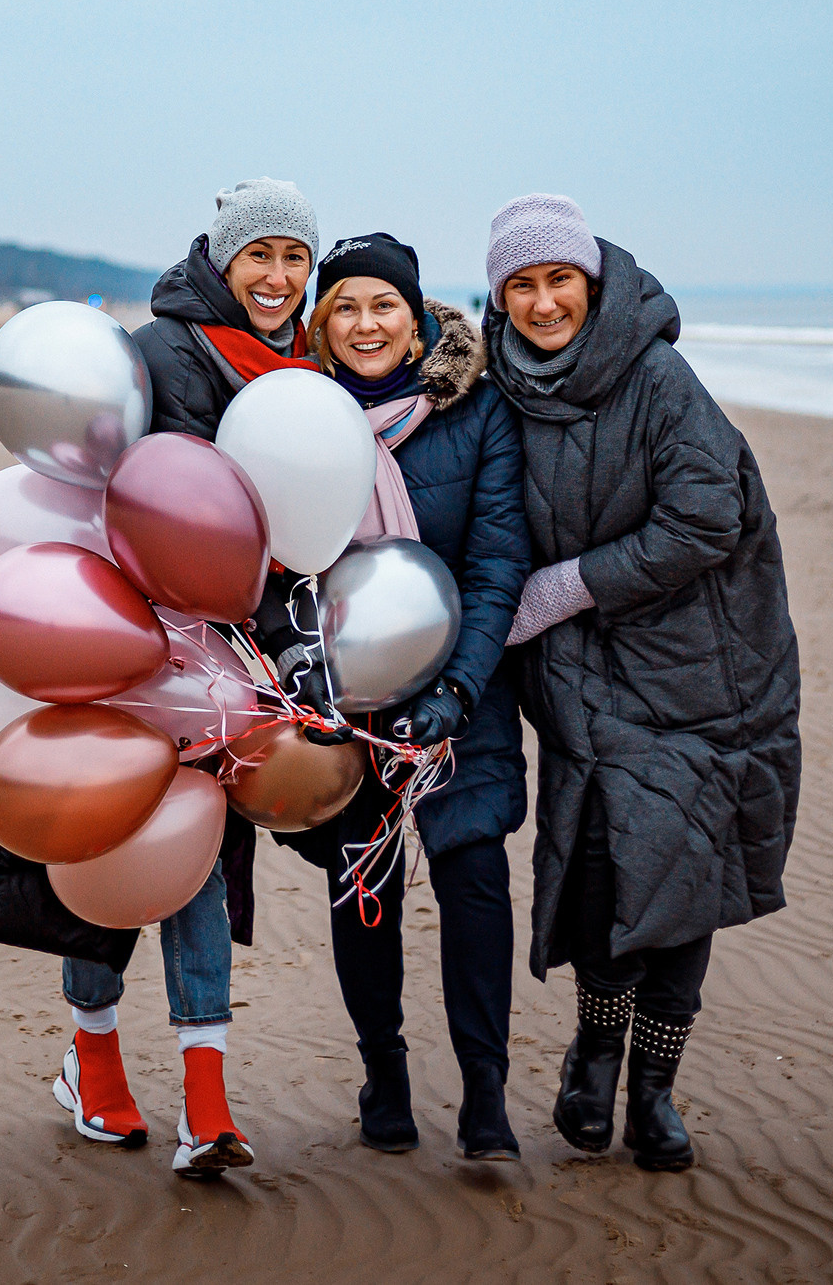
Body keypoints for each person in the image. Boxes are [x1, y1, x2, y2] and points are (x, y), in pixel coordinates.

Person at [479, 194, 802, 1174]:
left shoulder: (658, 378)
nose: (542, 301)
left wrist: (569, 585)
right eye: (521, 284)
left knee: (684, 879)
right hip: (580, 677)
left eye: (558, 279)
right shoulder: (497, 387)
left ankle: (652, 1090)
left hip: (706, 671)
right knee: (609, 871)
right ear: (499, 296)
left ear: (593, 281)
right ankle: (593, 1057)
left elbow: (709, 516)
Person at [50, 178, 320, 1183]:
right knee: (104, 853)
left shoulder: (305, 359)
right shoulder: (164, 348)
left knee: (197, 853)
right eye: (260, 255)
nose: (278, 275)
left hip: (231, 652)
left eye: (295, 255)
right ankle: (93, 1065)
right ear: (222, 258)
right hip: (129, 638)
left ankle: (205, 1106)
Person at [277, 232, 530, 1159]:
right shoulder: (300, 420)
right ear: (324, 324)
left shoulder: (478, 413)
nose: (366, 322)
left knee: (473, 877)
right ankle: (383, 1072)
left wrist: (459, 689)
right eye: (344, 306)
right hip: (349, 703)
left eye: (384, 304)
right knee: (364, 887)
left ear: (417, 319)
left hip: (468, 689)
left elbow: (500, 561)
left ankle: (485, 1093)